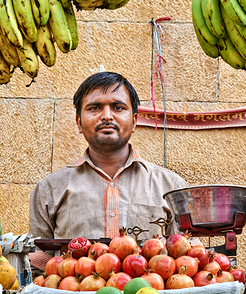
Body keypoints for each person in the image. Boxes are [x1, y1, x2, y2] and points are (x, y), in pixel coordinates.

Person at [28, 72, 188, 269]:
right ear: (79, 122)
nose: (106, 115)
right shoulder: (49, 189)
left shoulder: (171, 187)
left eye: (118, 107)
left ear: (135, 121)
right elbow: (38, 263)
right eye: (94, 108)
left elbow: (186, 258)